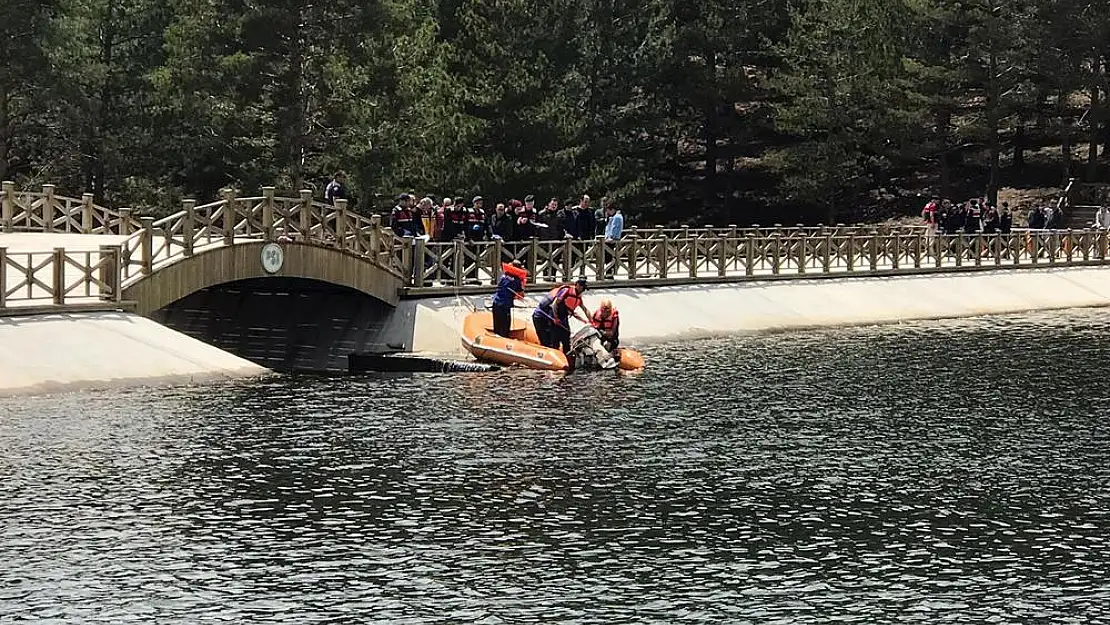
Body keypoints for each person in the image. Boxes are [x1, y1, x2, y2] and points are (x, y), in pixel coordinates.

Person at [533, 277, 590, 353]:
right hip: (549, 316)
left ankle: (567, 355)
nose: (583, 291)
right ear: (577, 285)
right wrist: (556, 318)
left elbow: (584, 309)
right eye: (583, 288)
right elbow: (554, 305)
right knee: (553, 339)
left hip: (562, 316)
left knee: (566, 336)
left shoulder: (578, 297)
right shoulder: (566, 291)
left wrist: (588, 320)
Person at [491, 260, 527, 337]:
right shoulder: (517, 280)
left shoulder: (504, 276)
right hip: (505, 306)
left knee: (497, 328)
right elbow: (521, 295)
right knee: (504, 330)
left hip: (496, 303)